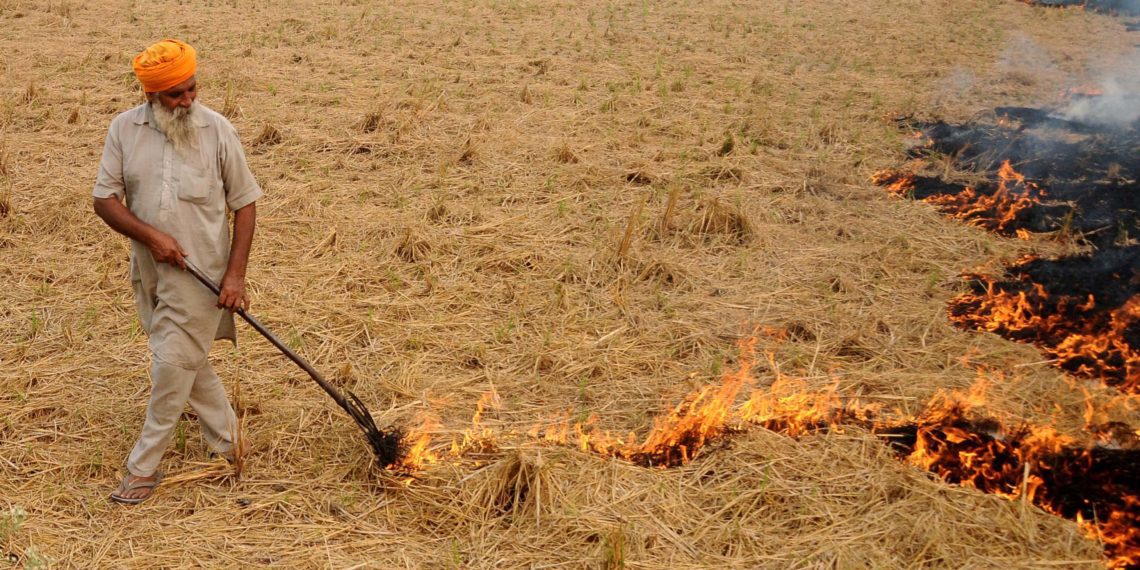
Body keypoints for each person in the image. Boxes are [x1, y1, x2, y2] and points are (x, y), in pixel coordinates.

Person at [93, 39, 262, 504]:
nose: (187, 100)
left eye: (192, 89)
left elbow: (246, 204)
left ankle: (143, 468)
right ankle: (230, 443)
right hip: (149, 272)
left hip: (202, 275)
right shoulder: (124, 130)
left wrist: (235, 276)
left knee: (170, 366)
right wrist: (152, 237)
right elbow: (104, 200)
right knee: (187, 360)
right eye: (175, 94)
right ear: (151, 94)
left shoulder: (218, 130)